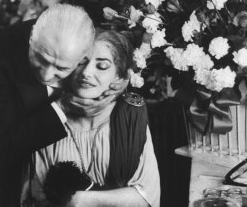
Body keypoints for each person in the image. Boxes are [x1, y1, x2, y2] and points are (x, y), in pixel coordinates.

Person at [0, 4, 125, 207]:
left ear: (83, 58)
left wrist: (123, 80)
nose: (46, 75)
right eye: (40, 59)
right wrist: (62, 106)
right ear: (31, 39)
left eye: (61, 68)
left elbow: (119, 61)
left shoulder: (86, 40)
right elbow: (4, 144)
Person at [21, 30, 160, 207]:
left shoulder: (129, 118)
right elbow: (36, 197)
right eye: (80, 63)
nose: (86, 72)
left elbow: (146, 197)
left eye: (101, 66)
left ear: (118, 76)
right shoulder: (50, 116)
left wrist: (80, 200)